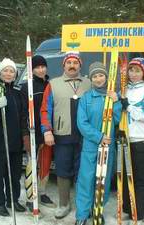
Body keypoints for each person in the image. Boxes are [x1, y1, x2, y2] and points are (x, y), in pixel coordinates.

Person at [40, 51, 91, 219]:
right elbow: (45, 109)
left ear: (80, 65)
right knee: (62, 170)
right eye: (68, 62)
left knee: (83, 171)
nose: (72, 65)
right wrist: (47, 130)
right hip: (62, 135)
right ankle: (64, 204)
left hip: (85, 137)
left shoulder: (89, 83)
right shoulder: (53, 84)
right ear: (63, 65)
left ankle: (82, 205)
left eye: (75, 63)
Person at [75, 62, 122, 225]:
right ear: (91, 79)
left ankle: (97, 211)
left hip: (107, 146)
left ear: (106, 77)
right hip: (91, 145)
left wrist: (116, 102)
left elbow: (117, 120)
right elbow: (82, 123)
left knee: (103, 181)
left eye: (101, 75)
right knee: (86, 180)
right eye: (95, 76)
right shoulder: (86, 98)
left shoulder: (112, 97)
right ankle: (82, 214)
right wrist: (99, 136)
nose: (98, 79)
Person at [0, 58, 28, 216]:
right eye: (6, 71)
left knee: (14, 174)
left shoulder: (17, 92)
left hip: (15, 141)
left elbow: (22, 115)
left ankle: (13, 200)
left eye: (12, 71)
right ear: (0, 73)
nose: (9, 74)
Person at [118, 57, 144, 223]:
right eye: (131, 70)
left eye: (137, 71)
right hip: (125, 138)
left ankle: (139, 212)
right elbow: (118, 113)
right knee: (126, 177)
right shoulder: (124, 89)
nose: (133, 74)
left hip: (142, 139)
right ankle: (128, 208)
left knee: (140, 178)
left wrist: (128, 106)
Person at [20, 55, 56, 211]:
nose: (41, 70)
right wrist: (25, 134)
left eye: (43, 67)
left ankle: (41, 192)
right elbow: (22, 113)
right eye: (37, 67)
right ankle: (30, 196)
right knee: (31, 164)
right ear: (32, 69)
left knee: (45, 163)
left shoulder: (51, 85)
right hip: (32, 131)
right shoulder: (25, 87)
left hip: (47, 131)